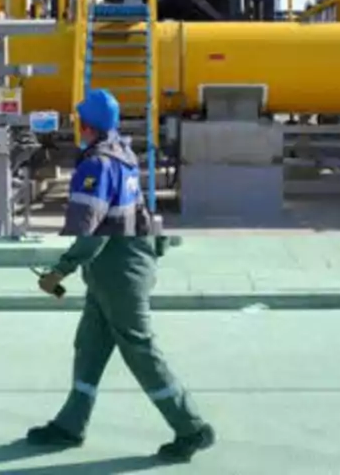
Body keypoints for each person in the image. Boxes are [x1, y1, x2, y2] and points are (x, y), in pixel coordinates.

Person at [26, 89, 215, 463]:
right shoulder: (125, 156)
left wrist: (59, 270)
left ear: (87, 124)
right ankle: (70, 424)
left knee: (140, 350)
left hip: (118, 272)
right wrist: (156, 248)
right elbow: (142, 212)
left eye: (77, 119)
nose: (74, 126)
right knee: (90, 347)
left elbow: (92, 231)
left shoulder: (96, 166)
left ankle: (191, 427)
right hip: (116, 269)